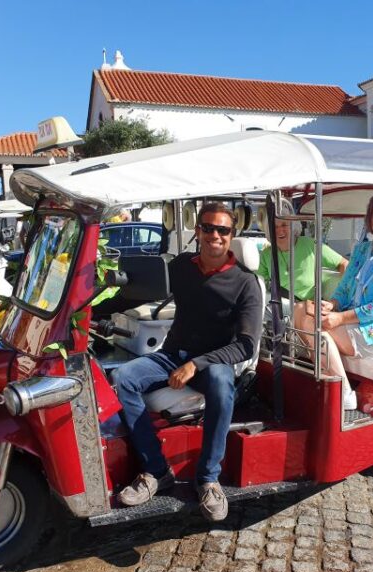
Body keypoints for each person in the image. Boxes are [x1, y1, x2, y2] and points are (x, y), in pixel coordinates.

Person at [112, 202, 262, 522]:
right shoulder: (181, 266)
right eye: (208, 228)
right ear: (198, 231)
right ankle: (156, 470)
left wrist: (198, 364)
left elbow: (246, 345)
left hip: (213, 364)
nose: (214, 236)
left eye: (222, 230)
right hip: (172, 355)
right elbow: (135, 290)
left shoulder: (245, 283)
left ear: (231, 235)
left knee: (223, 387)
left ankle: (208, 478)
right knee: (124, 376)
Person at [294, 190, 373, 410]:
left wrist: (340, 318)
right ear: (370, 219)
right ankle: (327, 381)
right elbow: (345, 288)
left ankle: (342, 392)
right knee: (299, 310)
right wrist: (331, 304)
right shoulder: (362, 250)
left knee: (317, 326)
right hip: (356, 323)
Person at [257, 210, 348, 303]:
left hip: (308, 308)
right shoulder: (266, 254)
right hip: (279, 307)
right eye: (275, 227)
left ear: (293, 227)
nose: (280, 230)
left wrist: (343, 293)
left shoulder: (310, 245)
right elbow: (258, 282)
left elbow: (344, 263)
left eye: (284, 225)